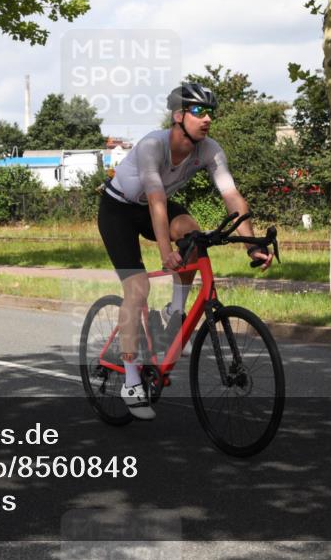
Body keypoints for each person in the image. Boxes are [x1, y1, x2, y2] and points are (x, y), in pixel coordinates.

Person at [97, 83, 272, 420]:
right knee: (137, 288)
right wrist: (165, 252)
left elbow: (232, 196)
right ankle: (131, 379)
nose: (207, 119)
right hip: (119, 209)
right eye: (197, 112)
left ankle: (174, 313)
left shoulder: (210, 149)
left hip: (154, 205)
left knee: (193, 234)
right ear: (178, 116)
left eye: (209, 113)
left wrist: (253, 245)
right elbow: (156, 200)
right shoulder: (152, 145)